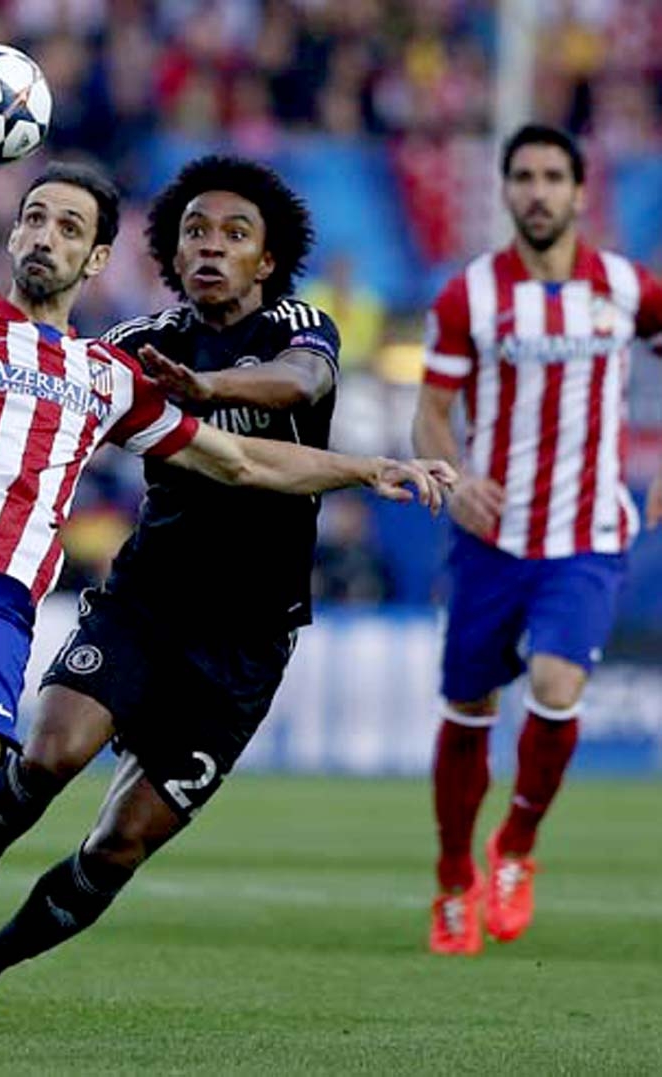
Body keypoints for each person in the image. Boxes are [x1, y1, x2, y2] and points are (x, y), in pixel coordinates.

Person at [0, 160, 452, 1056]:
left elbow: (261, 440)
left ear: (95, 257)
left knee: (34, 817)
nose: (45, 237)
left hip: (106, 622)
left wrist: (367, 467)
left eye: (69, 228)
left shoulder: (162, 362)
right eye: (34, 219)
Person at [412, 123, 662, 955]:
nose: (537, 191)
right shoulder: (468, 297)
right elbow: (430, 415)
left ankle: (514, 844)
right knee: (470, 708)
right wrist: (454, 479)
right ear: (505, 189)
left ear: (579, 192)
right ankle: (454, 874)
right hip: (492, 535)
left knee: (557, 683)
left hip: (587, 532)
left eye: (553, 176)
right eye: (522, 176)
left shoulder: (628, 288)